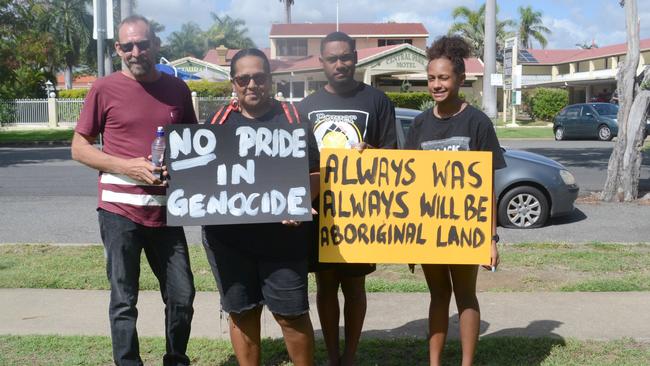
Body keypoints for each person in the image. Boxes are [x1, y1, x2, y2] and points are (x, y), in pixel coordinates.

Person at [71, 15, 196, 366]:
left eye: (143, 43)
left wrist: (179, 166)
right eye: (128, 46)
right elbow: (79, 148)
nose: (136, 51)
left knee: (182, 294)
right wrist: (127, 166)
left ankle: (176, 359)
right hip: (118, 212)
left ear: (156, 44)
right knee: (124, 299)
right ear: (118, 49)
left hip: (167, 211)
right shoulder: (104, 89)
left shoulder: (177, 90)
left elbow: (193, 146)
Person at [201, 48, 318, 366]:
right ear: (233, 82)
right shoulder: (216, 124)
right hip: (230, 243)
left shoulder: (293, 120)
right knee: (241, 313)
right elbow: (200, 177)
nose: (252, 84)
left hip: (283, 242)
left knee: (291, 316)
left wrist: (299, 203)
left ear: (270, 80)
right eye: (243, 78)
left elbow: (315, 175)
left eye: (259, 77)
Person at [403, 36, 504, 366]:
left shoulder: (477, 123)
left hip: (466, 229)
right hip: (430, 230)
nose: (436, 84)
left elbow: (488, 186)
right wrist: (408, 238)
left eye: (444, 77)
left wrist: (491, 238)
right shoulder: (419, 124)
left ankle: (466, 363)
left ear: (460, 78)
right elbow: (405, 182)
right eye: (431, 78)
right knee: (437, 295)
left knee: (464, 294)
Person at [297, 31, 397, 366]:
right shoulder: (305, 108)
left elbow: (393, 158)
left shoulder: (377, 101)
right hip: (320, 212)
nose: (340, 64)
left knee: (354, 287)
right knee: (325, 286)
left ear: (355, 57)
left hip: (360, 213)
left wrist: (372, 153)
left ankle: (350, 355)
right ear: (321, 62)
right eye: (333, 58)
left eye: (346, 57)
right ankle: (332, 355)